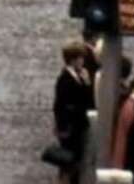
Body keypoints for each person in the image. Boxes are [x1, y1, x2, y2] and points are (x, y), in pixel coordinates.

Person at [53, 39, 94, 183]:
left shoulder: (80, 76)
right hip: (70, 128)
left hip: (78, 126)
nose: (83, 61)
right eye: (80, 58)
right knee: (68, 163)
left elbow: (89, 101)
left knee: (75, 161)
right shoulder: (64, 79)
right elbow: (59, 106)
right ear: (72, 60)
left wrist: (87, 83)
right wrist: (62, 128)